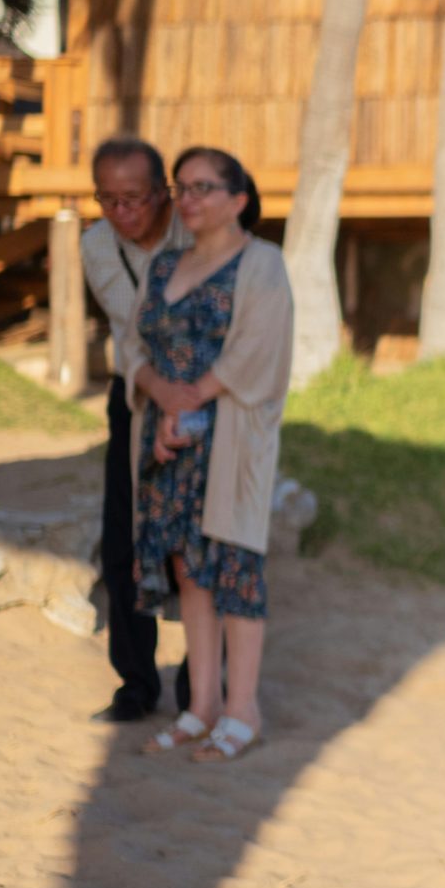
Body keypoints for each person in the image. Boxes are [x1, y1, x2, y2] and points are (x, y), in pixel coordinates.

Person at [130, 149, 293, 765]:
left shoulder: (262, 263)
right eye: (181, 188)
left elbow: (260, 350)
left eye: (203, 187)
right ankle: (200, 706)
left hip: (227, 443)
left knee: (233, 573)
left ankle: (242, 710)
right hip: (166, 440)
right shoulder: (163, 263)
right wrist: (160, 396)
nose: (188, 199)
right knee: (189, 571)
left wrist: (189, 399)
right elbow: (133, 344)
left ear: (238, 199)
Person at [79, 136, 191, 722]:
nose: (121, 214)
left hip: (202, 399)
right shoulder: (98, 245)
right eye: (108, 200)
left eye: (135, 199)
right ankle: (136, 683)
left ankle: (202, 683)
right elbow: (142, 320)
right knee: (123, 539)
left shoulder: (197, 230)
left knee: (199, 542)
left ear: (163, 193)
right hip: (136, 399)